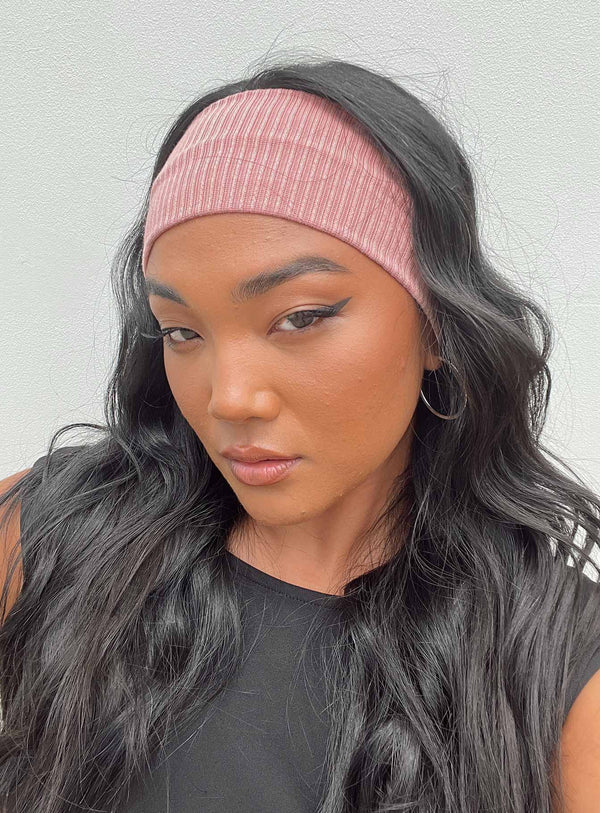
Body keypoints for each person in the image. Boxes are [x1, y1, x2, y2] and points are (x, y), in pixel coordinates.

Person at [0, 56, 599, 813]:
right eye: (181, 330)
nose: (229, 398)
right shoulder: (49, 540)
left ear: (438, 322)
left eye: (301, 317)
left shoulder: (553, 667)